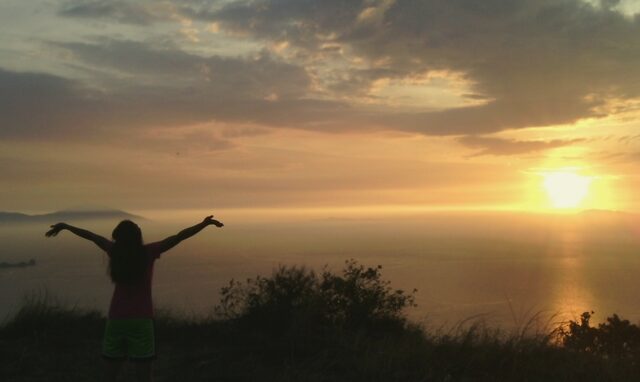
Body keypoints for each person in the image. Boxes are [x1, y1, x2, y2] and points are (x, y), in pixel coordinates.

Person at [45, 215, 224, 382]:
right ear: (137, 236)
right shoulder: (149, 252)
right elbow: (178, 237)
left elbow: (91, 236)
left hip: (116, 320)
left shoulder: (114, 251)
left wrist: (66, 226)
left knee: (110, 374)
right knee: (143, 376)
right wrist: (203, 224)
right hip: (141, 321)